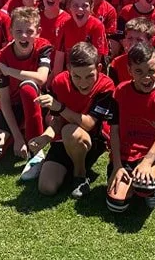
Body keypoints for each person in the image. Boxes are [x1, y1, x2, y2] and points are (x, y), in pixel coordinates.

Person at [101, 42, 155, 213]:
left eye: (151, 71)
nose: (146, 77)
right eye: (139, 72)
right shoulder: (120, 91)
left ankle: (151, 189)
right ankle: (132, 185)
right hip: (126, 155)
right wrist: (117, 165)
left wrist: (147, 162)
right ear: (130, 71)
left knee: (145, 184)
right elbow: (114, 130)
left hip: (154, 154)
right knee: (116, 205)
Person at [33, 42, 115, 198]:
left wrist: (60, 107)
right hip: (63, 138)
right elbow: (56, 121)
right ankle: (63, 165)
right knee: (47, 187)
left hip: (91, 139)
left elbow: (90, 124)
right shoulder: (59, 82)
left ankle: (80, 175)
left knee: (71, 132)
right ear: (69, 69)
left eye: (89, 75)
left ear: (98, 68)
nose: (83, 82)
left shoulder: (106, 85)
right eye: (77, 76)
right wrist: (44, 137)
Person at [0, 7, 54, 164]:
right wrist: (18, 138)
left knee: (28, 87)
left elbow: (41, 78)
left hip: (37, 102)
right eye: (19, 31)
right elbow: (5, 102)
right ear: (11, 31)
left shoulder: (43, 47)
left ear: (38, 31)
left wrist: (8, 71)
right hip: (13, 105)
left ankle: (36, 149)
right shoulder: (2, 56)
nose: (24, 36)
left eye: (29, 31)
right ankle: (19, 132)